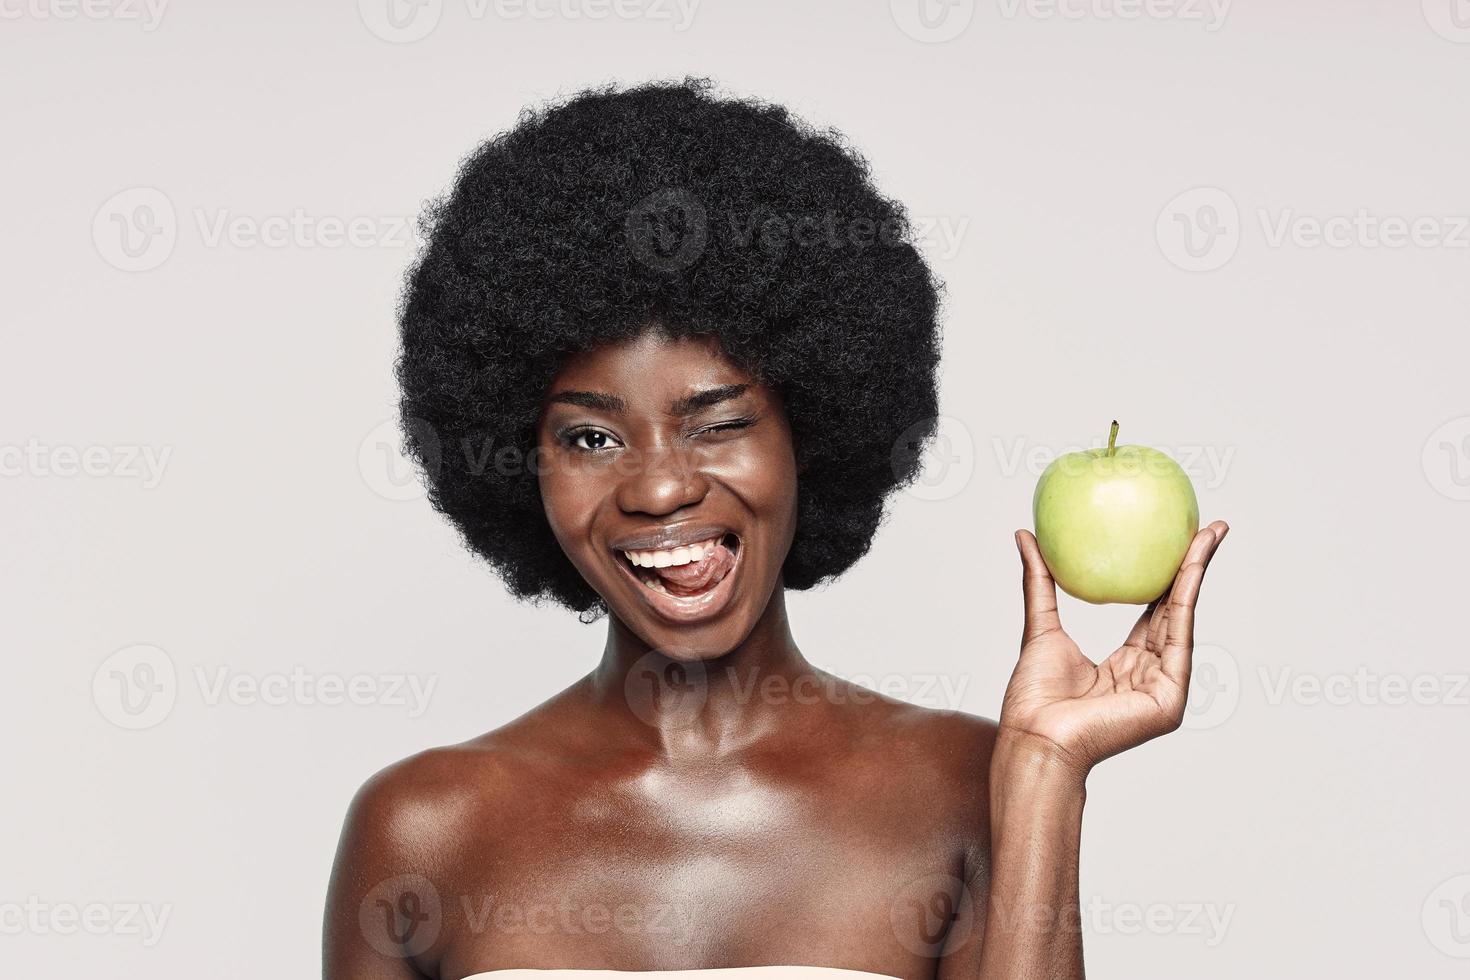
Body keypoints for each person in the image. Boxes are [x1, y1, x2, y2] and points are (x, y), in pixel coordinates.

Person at [323, 77, 1229, 980]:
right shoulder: (423, 829)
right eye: (591, 437)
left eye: (718, 423)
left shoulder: (965, 788)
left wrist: (1045, 769)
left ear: (813, 433)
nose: (660, 488)